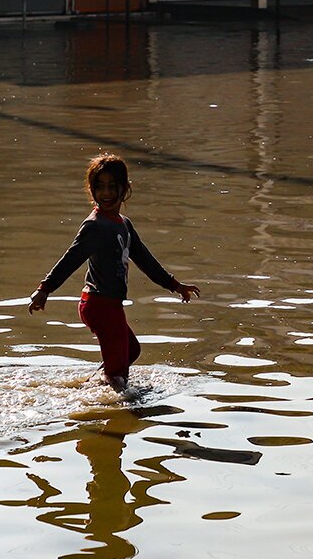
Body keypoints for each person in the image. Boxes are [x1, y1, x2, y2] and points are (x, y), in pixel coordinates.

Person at [28, 154, 199, 392]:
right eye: (99, 187)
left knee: (131, 351)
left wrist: (175, 285)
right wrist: (44, 289)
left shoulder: (123, 224)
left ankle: (90, 387)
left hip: (110, 305)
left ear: (125, 189)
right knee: (118, 371)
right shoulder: (95, 226)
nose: (105, 193)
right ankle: (112, 409)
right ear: (92, 190)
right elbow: (71, 259)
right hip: (99, 305)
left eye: (112, 187)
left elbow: (145, 259)